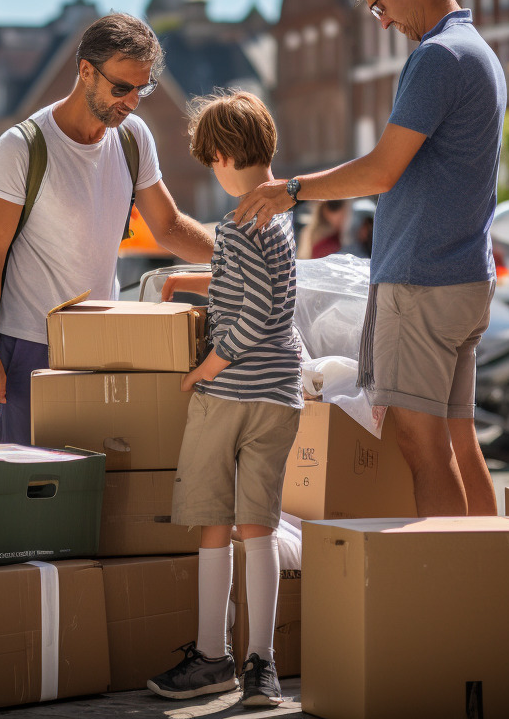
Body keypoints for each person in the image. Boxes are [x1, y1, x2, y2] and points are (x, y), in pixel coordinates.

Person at [235, 0, 506, 517]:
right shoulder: (479, 50)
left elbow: (383, 170)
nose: (382, 22)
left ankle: (451, 590)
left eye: (382, 5)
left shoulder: (438, 56)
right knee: (459, 437)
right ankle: (492, 579)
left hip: (424, 279)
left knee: (421, 443)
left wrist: (291, 191)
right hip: (463, 275)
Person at [0, 13, 214, 444]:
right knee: (35, 493)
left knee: (101, 492)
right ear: (85, 71)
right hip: (29, 349)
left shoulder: (134, 136)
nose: (132, 102)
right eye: (122, 88)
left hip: (104, 344)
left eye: (143, 88)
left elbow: (169, 227)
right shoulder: (21, 147)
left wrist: (240, 257)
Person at [147, 90, 302, 708]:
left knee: (213, 521)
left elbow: (253, 310)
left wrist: (203, 369)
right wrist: (193, 279)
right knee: (258, 526)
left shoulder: (236, 223)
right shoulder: (279, 219)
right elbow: (255, 287)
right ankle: (262, 665)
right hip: (279, 391)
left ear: (217, 155)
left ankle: (212, 656)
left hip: (231, 390)